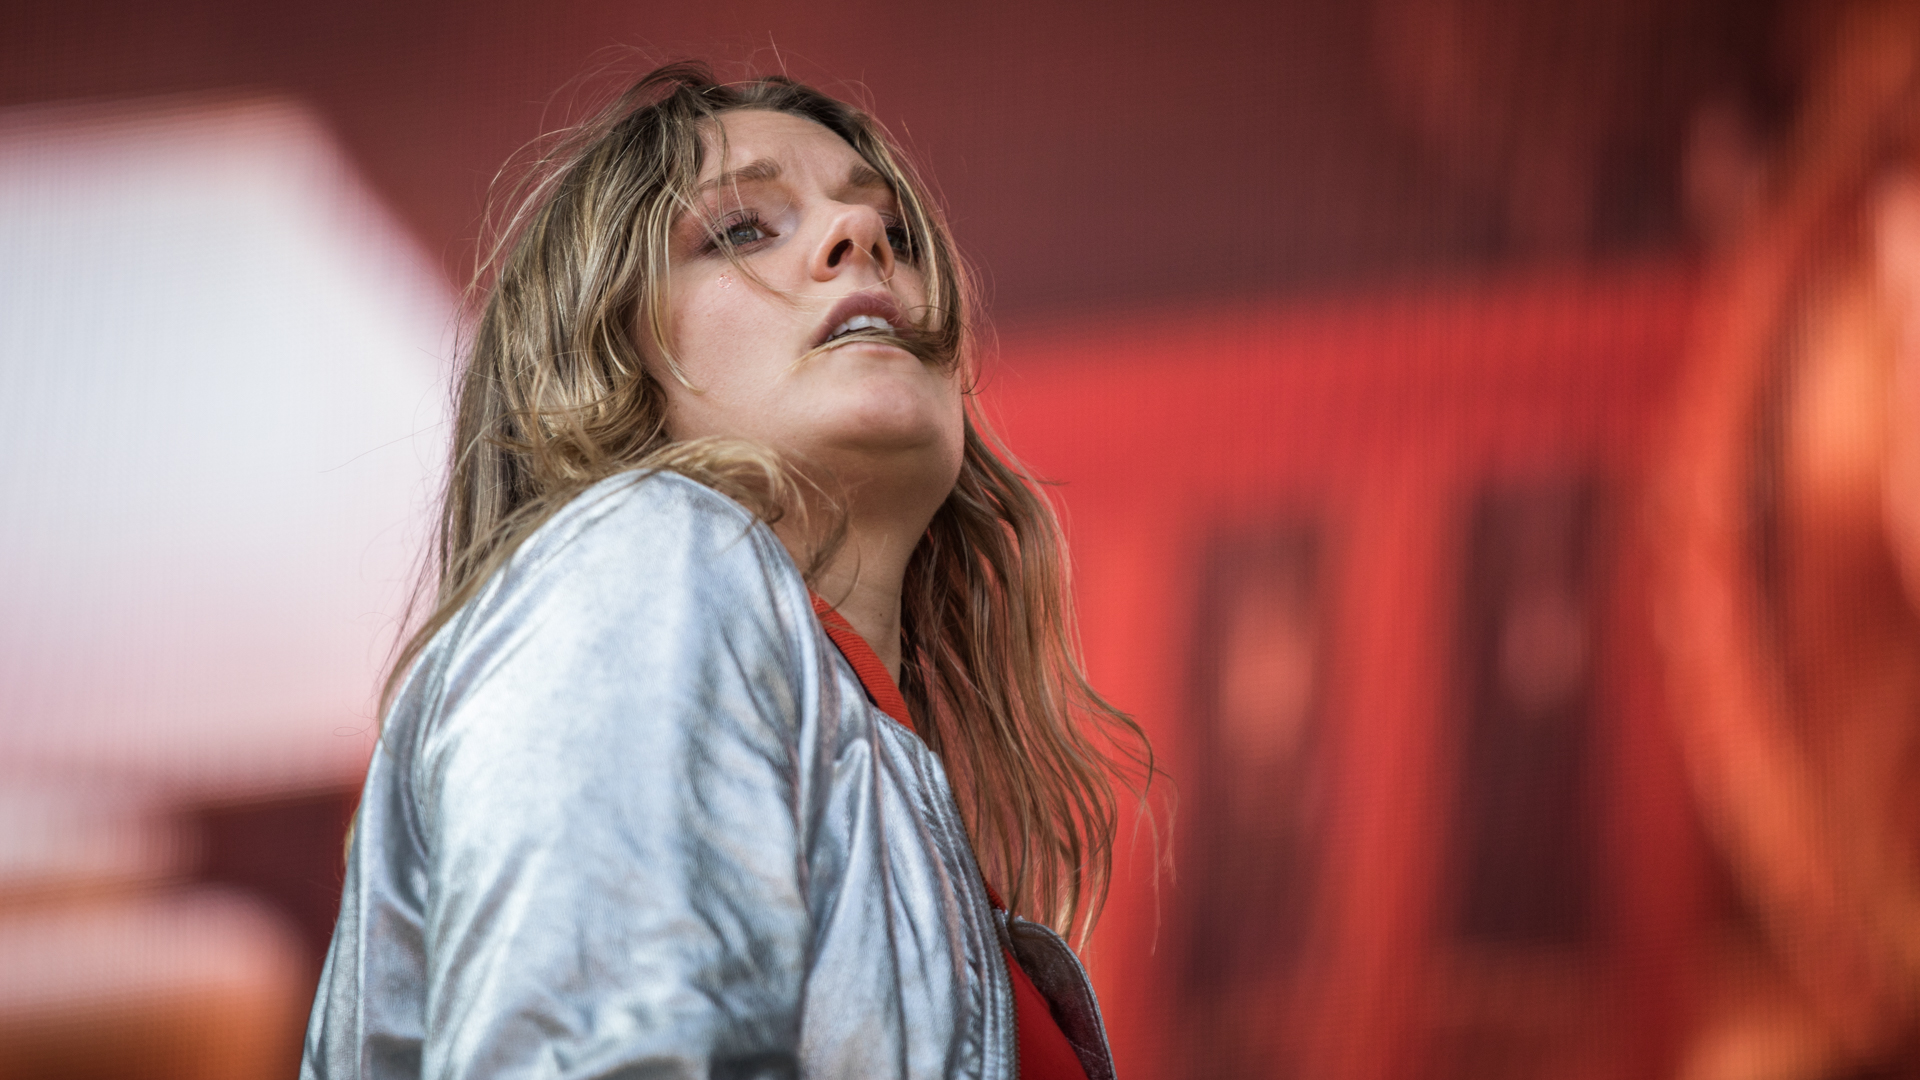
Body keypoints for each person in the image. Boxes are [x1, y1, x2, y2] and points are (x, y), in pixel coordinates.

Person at [299, 62, 1150, 1080]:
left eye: (899, 235)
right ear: (608, 359)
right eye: (743, 229)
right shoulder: (643, 553)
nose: (862, 240)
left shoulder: (864, 762)